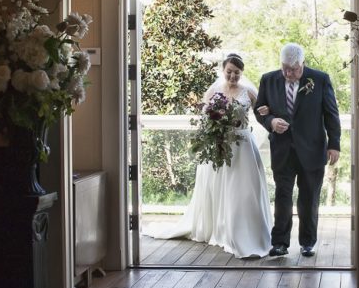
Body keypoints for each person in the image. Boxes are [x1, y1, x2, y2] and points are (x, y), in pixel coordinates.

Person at [143, 53, 272, 258]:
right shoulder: (214, 90)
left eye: (236, 73)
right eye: (229, 72)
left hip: (242, 145)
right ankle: (218, 228)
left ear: (242, 73)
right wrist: (214, 133)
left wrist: (265, 112)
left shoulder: (248, 92)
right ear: (223, 70)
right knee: (218, 187)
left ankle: (246, 231)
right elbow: (205, 119)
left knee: (243, 190)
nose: (232, 76)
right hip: (219, 144)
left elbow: (260, 114)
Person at [254, 43, 341, 257]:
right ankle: (280, 243)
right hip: (282, 149)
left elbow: (331, 113)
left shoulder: (320, 79)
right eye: (285, 68)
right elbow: (260, 110)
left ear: (303, 63)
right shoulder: (268, 79)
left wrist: (334, 144)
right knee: (283, 196)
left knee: (309, 198)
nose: (288, 73)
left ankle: (308, 242)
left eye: (293, 69)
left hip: (312, 149)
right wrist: (271, 122)